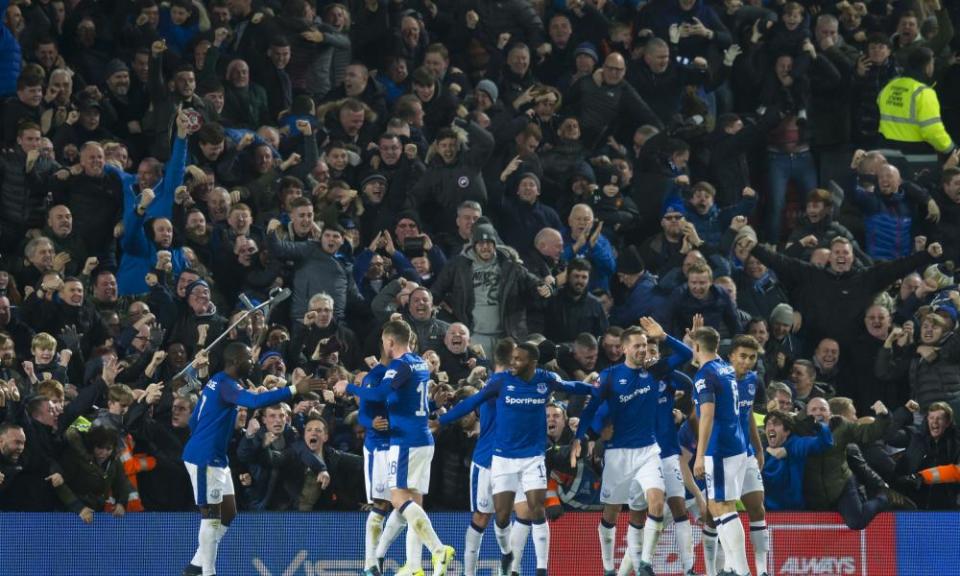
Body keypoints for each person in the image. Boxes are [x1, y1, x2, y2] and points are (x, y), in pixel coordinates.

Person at [434, 342, 594, 576]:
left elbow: (561, 386)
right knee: (483, 517)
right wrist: (443, 417)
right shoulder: (495, 384)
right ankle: (470, 572)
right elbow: (468, 403)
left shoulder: (531, 381)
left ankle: (511, 569)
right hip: (489, 459)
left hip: (523, 458)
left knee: (527, 512)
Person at [180, 342, 324, 576]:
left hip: (214, 456)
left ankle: (195, 566)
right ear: (236, 361)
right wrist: (295, 389)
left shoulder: (217, 381)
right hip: (204, 458)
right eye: (249, 358)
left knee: (228, 512)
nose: (253, 362)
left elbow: (195, 420)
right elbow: (254, 403)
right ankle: (208, 572)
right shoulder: (225, 384)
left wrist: (209, 433)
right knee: (211, 516)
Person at [335, 320, 455, 576]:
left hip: (404, 441)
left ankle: (437, 549)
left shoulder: (398, 366)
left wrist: (349, 387)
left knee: (398, 498)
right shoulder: (420, 363)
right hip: (420, 440)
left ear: (389, 341)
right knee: (413, 503)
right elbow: (388, 404)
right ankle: (413, 566)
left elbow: (379, 395)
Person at [573, 318, 692, 576]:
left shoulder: (655, 371)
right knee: (612, 511)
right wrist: (586, 436)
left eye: (645, 345)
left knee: (657, 502)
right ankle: (607, 568)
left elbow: (686, 354)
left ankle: (646, 563)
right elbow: (594, 409)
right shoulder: (610, 377)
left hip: (649, 450)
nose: (642, 350)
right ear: (625, 349)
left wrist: (663, 336)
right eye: (637, 346)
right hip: (618, 453)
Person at [691, 326, 751, 576]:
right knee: (717, 507)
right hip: (735, 444)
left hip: (720, 448)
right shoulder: (725, 368)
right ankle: (729, 567)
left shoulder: (705, 375)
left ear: (696, 347)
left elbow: (707, 414)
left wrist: (700, 454)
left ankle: (743, 570)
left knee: (724, 508)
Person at [729, 335, 772, 576]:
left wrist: (758, 448)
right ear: (731, 356)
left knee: (758, 509)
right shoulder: (719, 381)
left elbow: (747, 416)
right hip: (723, 456)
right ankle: (724, 568)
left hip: (746, 455)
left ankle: (762, 570)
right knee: (719, 515)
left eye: (752, 357)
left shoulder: (753, 380)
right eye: (743, 356)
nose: (747, 362)